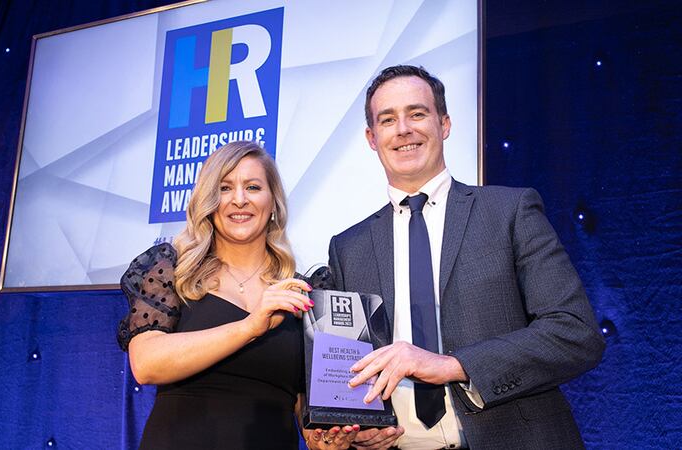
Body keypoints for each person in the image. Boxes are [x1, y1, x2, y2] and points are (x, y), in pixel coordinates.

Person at [327, 65, 605, 449]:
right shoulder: (347, 247)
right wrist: (361, 428)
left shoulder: (509, 211)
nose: (403, 129)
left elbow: (575, 333)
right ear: (372, 138)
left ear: (445, 124)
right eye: (388, 120)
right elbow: (350, 373)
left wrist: (452, 365)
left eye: (417, 113)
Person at [117, 141, 359, 450]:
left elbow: (304, 403)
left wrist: (319, 437)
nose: (239, 200)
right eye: (225, 188)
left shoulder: (301, 294)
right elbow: (147, 364)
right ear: (208, 202)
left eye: (253, 187)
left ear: (273, 204)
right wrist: (250, 327)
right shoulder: (172, 270)